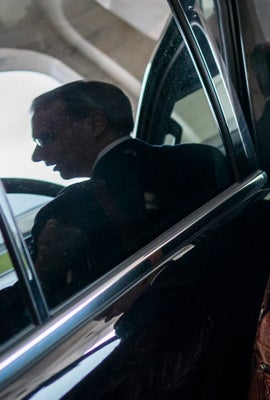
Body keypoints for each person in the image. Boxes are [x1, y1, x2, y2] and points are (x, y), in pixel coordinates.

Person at [29, 80, 230, 306]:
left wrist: (46, 266)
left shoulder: (66, 212)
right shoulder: (203, 157)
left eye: (45, 138)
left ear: (95, 124)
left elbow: (37, 310)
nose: (37, 156)